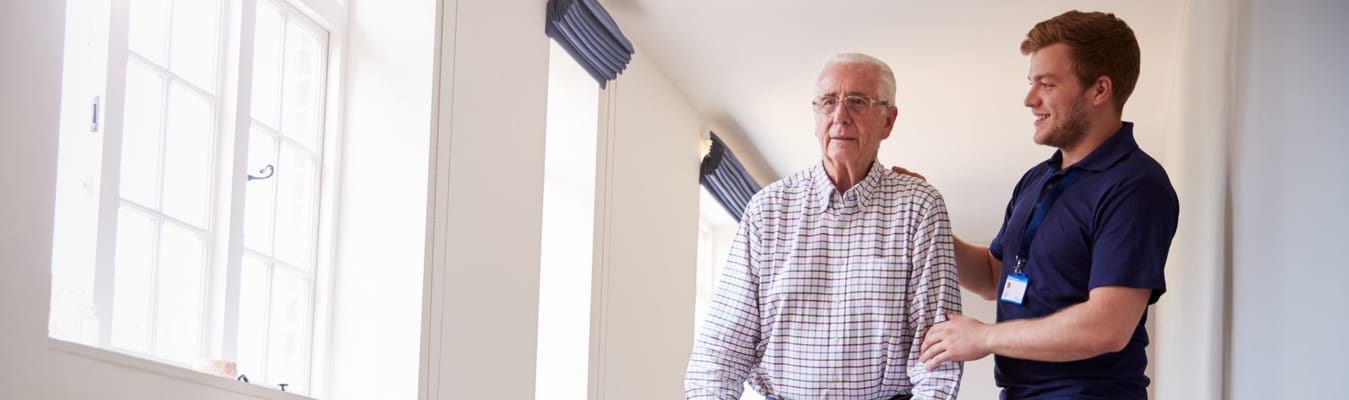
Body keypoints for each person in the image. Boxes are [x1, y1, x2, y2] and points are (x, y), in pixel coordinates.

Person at [906, 11, 1180, 400]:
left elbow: (1108, 327)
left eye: (1047, 84)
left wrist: (985, 337)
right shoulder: (1038, 178)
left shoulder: (1135, 185)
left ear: (1100, 90)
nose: (1029, 99)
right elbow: (992, 275)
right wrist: (922, 216)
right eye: (1031, 83)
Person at [685, 53, 962, 400]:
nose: (840, 117)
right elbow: (720, 351)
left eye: (858, 103)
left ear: (888, 121)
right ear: (815, 116)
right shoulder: (768, 210)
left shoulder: (919, 207)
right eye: (828, 102)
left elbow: (937, 359)